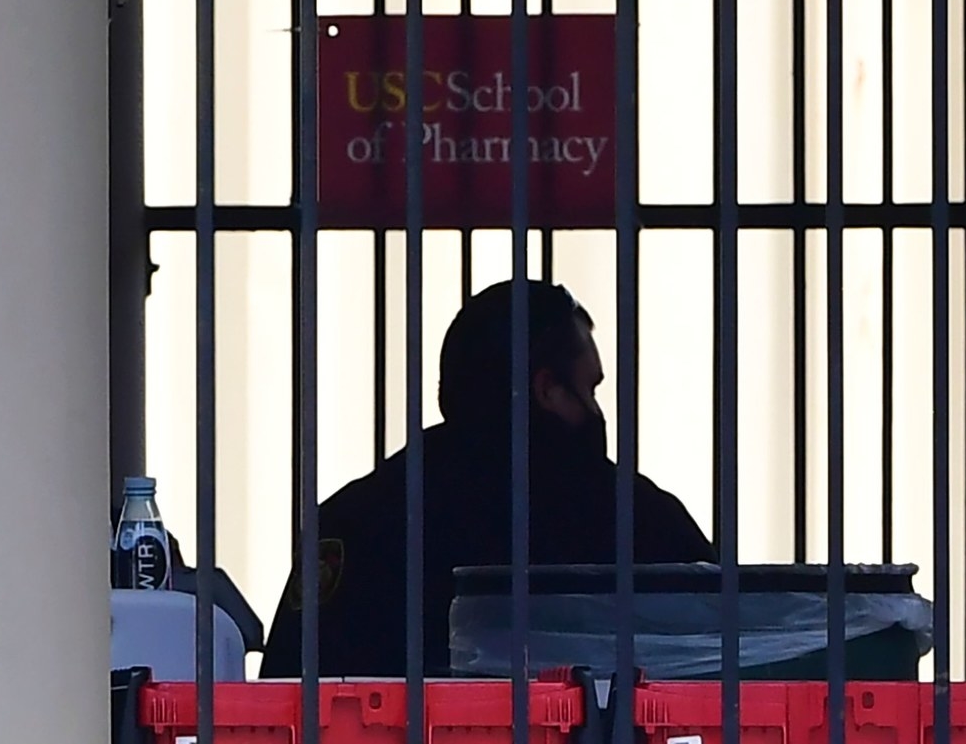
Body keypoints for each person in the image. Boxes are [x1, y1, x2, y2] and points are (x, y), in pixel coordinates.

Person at [260, 279, 715, 676]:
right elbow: (734, 668)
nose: (596, 409)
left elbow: (286, 690)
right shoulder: (636, 520)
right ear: (547, 389)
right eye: (591, 389)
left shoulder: (358, 519)